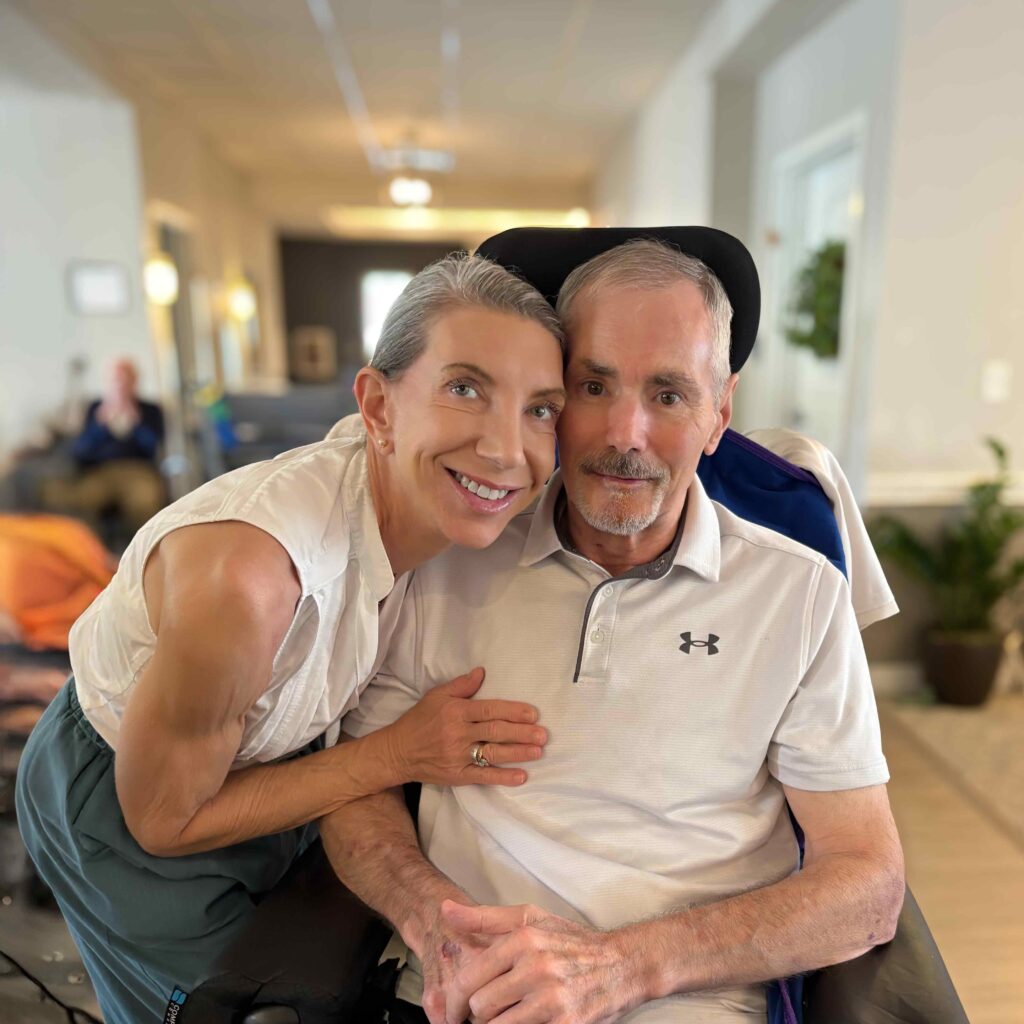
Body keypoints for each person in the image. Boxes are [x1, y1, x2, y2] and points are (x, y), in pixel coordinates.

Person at [325, 231, 905, 1024]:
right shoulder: (448, 556)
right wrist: (439, 924)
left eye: (667, 395)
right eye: (593, 388)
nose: (623, 434)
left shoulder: (797, 596)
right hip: (462, 994)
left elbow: (868, 886)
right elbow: (353, 788)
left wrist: (622, 967)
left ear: (719, 415)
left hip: (685, 1001)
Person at [15, 253, 566, 1024]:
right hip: (127, 795)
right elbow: (164, 821)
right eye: (464, 388)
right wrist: (401, 752)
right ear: (377, 408)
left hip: (267, 754)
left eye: (541, 408)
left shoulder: (440, 498)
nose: (509, 449)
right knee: (219, 1007)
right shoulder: (250, 580)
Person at [41, 357, 167, 532]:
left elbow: (154, 448)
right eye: (116, 380)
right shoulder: (94, 409)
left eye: (125, 379)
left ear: (135, 381)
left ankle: (142, 554)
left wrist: (136, 423)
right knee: (75, 500)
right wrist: (100, 426)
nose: (120, 385)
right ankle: (90, 554)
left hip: (138, 471)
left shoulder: (150, 410)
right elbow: (81, 451)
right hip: (101, 472)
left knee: (145, 504)